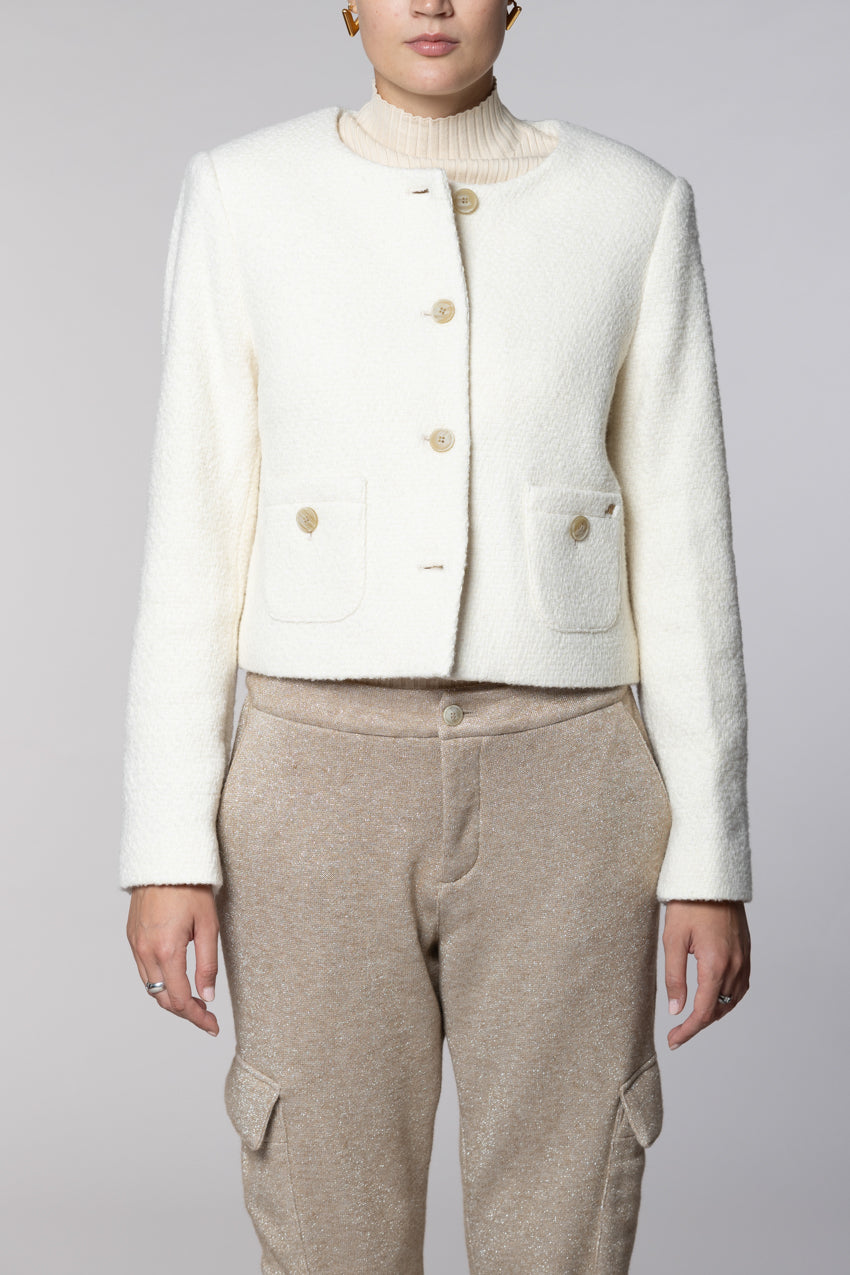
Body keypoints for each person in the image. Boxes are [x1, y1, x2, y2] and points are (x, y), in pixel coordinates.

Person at [121, 3, 752, 1271]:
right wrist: (165, 846)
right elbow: (195, 525)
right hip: (312, 776)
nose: (429, 4)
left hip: (571, 774)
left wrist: (710, 860)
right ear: (347, 5)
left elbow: (685, 547)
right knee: (323, 1198)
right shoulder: (245, 193)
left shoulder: (632, 206)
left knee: (568, 1194)